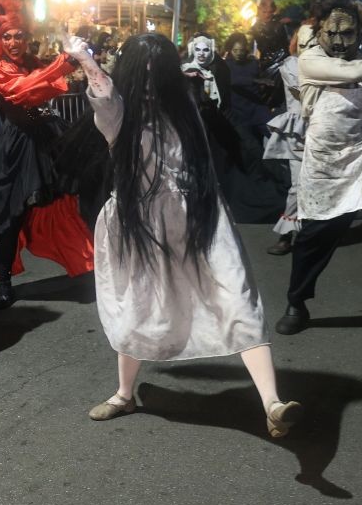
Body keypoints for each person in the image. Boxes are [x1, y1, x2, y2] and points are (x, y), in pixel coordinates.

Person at [63, 32, 303, 435]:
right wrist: (84, 58)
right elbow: (102, 92)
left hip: (200, 220)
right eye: (145, 71)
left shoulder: (186, 108)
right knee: (137, 308)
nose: (153, 80)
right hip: (140, 224)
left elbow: (203, 164)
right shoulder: (117, 112)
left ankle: (272, 404)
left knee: (236, 297)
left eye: (161, 71)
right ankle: (124, 394)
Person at [276, 0, 362, 335]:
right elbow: (347, 71)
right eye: (329, 32)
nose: (336, 40)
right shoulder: (312, 60)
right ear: (317, 32)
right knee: (315, 234)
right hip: (323, 165)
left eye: (345, 33)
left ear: (359, 34)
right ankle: (296, 301)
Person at [0, 0, 94, 310]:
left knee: (62, 203)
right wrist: (65, 61)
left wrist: (68, 62)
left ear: (27, 38)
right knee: (8, 216)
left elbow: (53, 85)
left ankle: (87, 258)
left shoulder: (32, 62)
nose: (13, 42)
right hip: (14, 148)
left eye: (19, 35)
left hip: (41, 142)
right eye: (7, 36)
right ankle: (3, 281)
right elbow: (24, 90)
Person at [263, 25, 310, 255]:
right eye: (303, 42)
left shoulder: (322, 65)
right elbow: (304, 92)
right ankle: (286, 235)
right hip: (299, 130)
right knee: (297, 185)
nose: (308, 47)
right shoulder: (291, 64)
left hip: (323, 128)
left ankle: (307, 234)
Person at [180, 34, 231, 112]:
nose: (201, 53)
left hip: (212, 114)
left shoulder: (220, 67)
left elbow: (223, 94)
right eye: (197, 49)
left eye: (205, 49)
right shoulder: (183, 65)